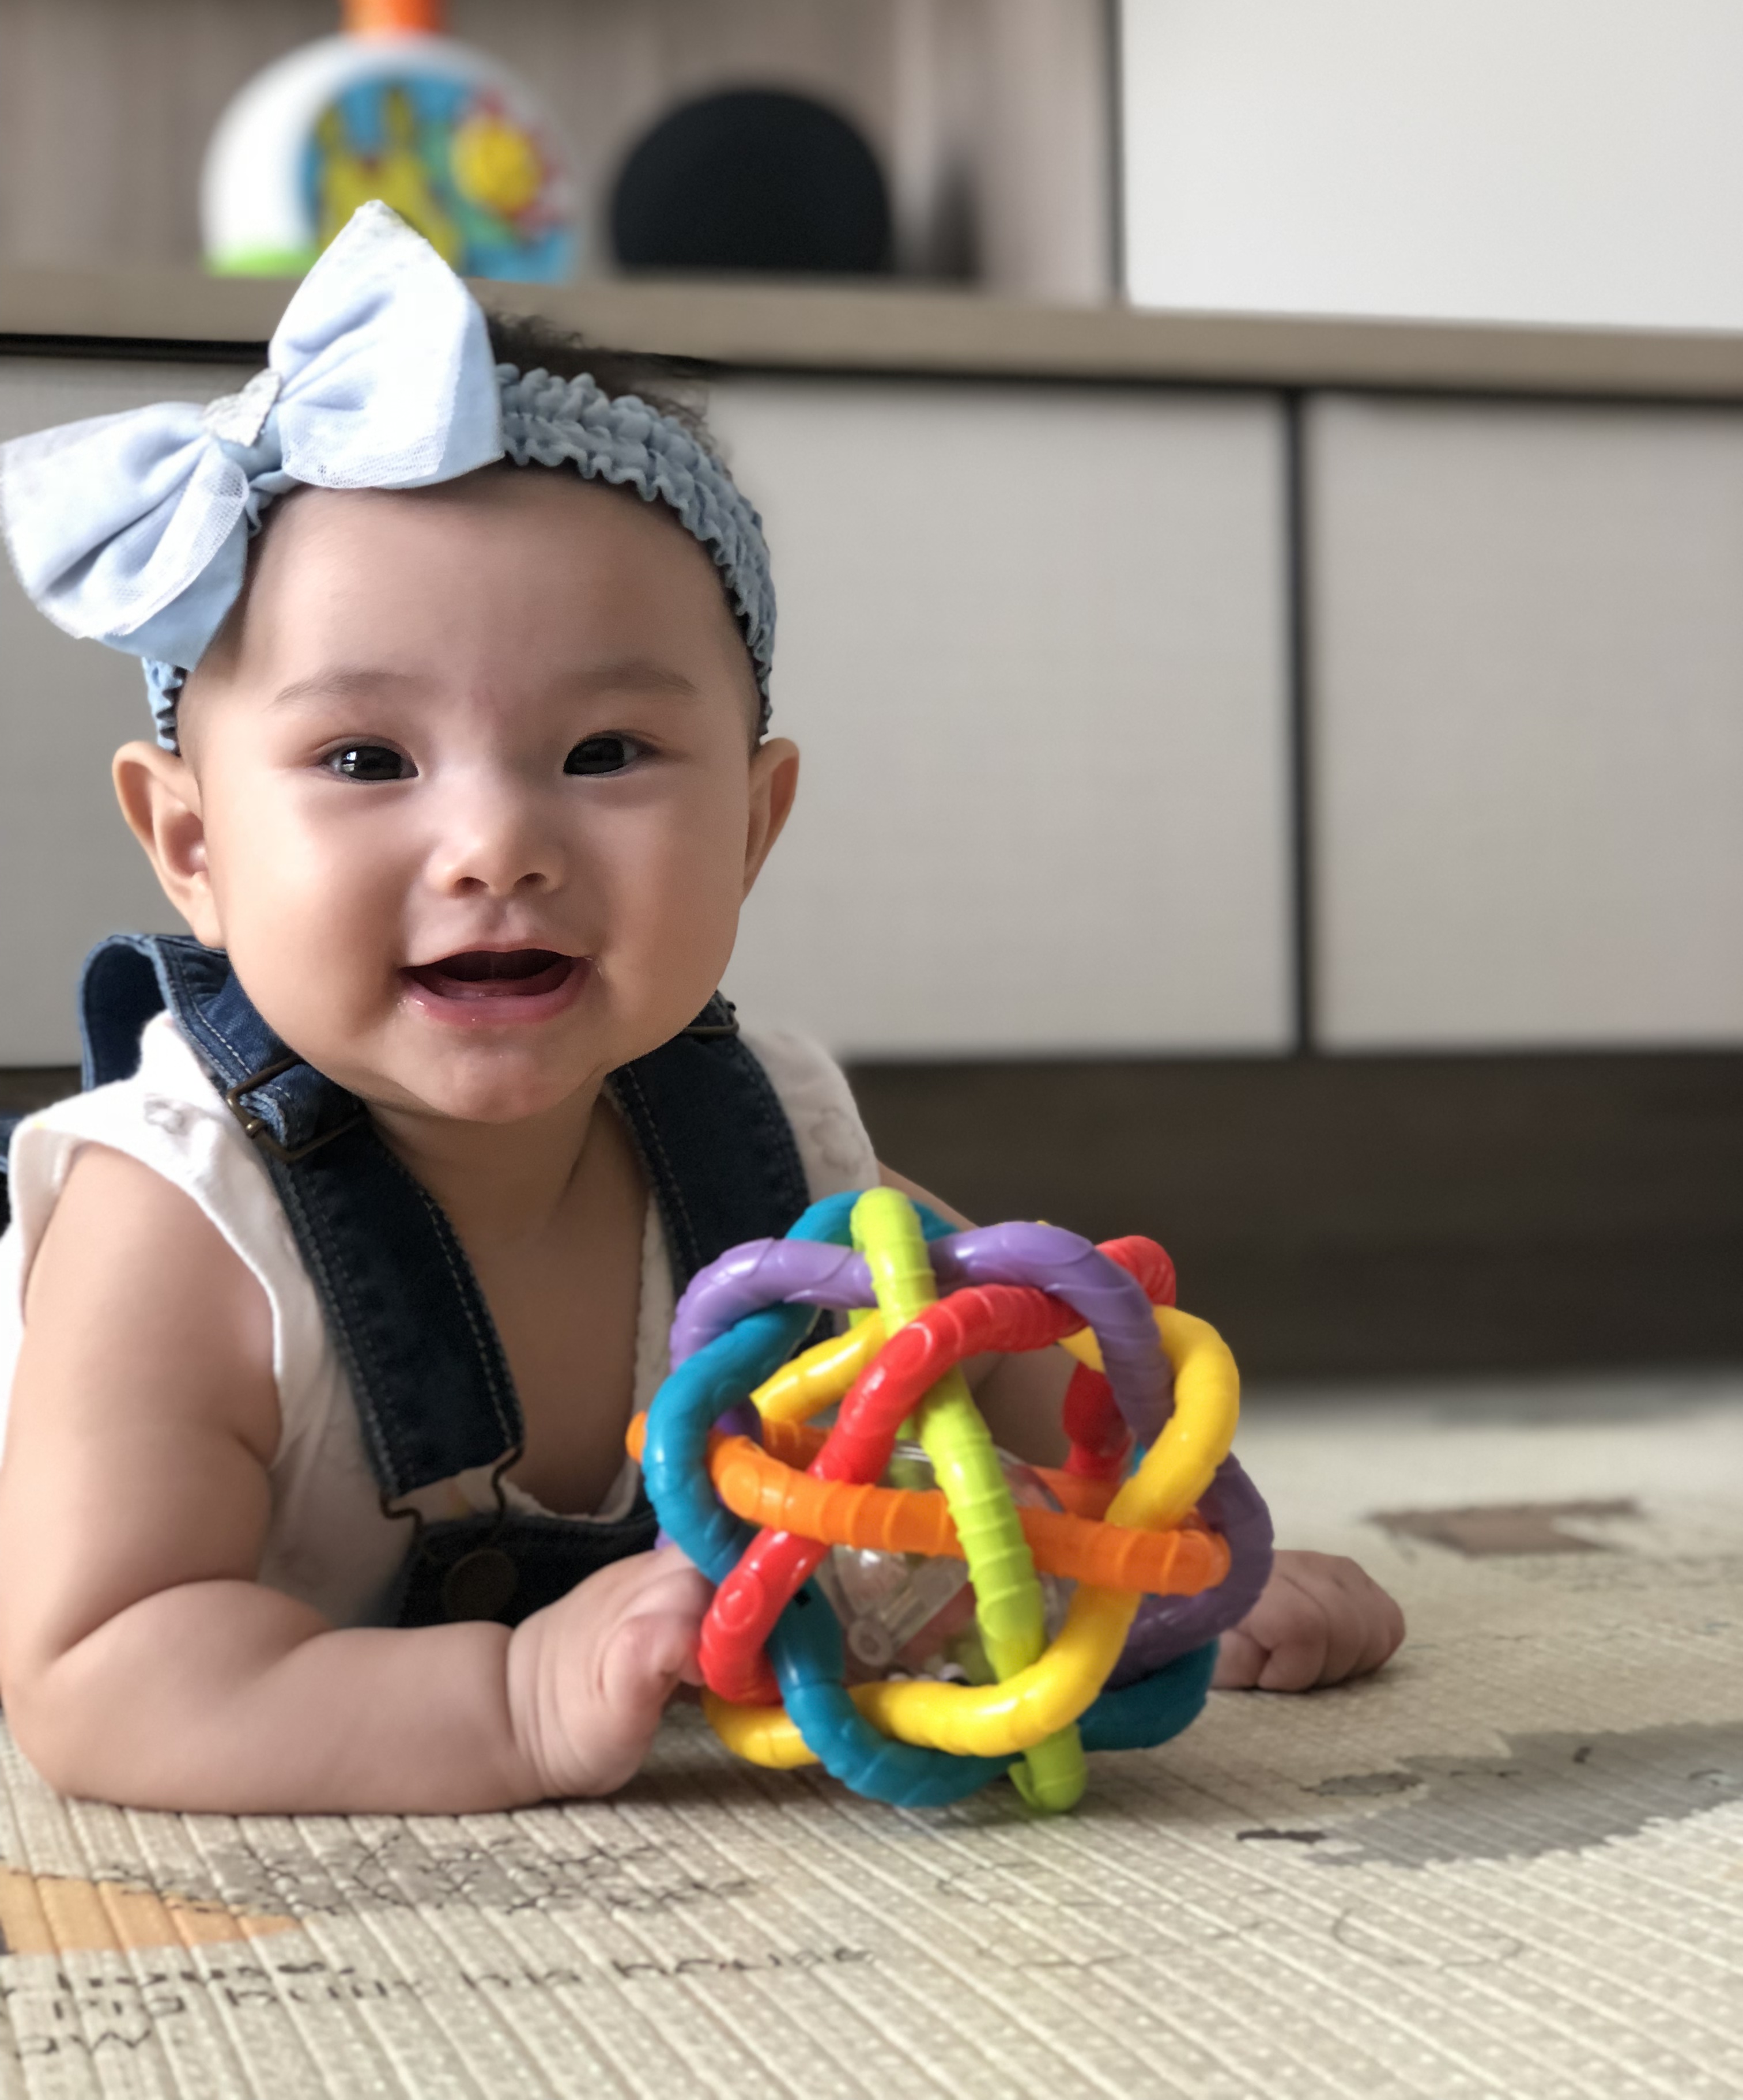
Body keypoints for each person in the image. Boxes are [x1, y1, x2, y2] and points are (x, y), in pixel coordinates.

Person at [0, 205, 1402, 1815]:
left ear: (751, 823)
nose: (496, 846)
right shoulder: (180, 1216)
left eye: (604, 754)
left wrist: (1178, 1550)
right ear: (192, 847)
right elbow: (99, 1669)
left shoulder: (768, 1154)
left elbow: (1031, 1355)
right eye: (368, 760)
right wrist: (514, 1697)